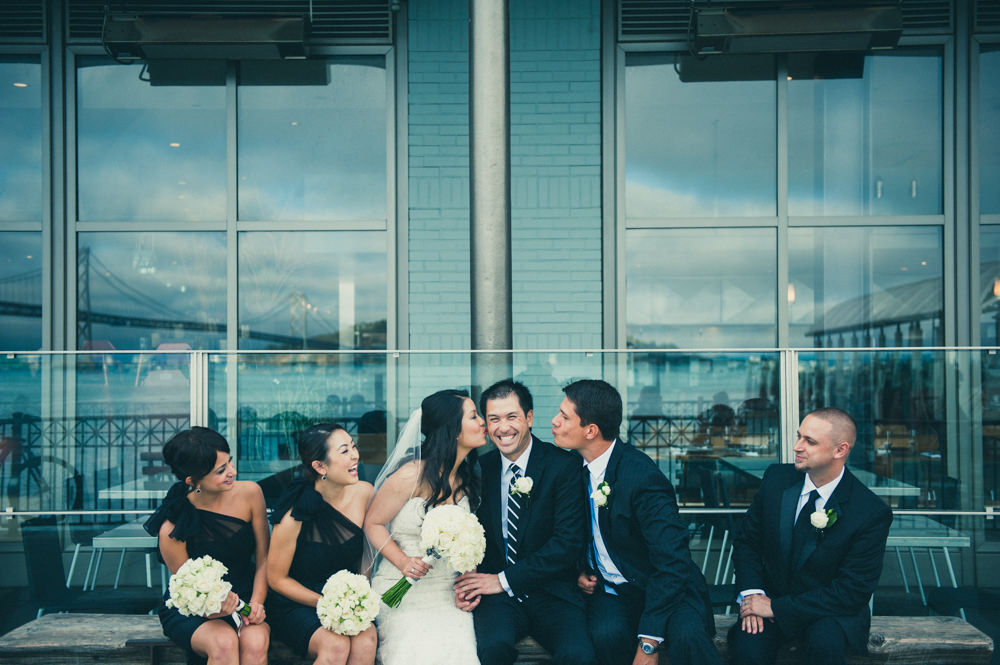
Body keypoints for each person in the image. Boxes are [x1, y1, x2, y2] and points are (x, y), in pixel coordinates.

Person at [552, 379, 720, 665]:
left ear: (591, 431)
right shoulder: (569, 468)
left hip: (667, 590)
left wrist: (649, 642)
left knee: (688, 637)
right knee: (605, 635)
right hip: (612, 591)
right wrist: (580, 569)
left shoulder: (641, 477)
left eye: (564, 416)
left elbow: (673, 562)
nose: (555, 421)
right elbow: (570, 532)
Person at [728, 407, 893, 665]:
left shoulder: (870, 512)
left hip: (830, 612)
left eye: (810, 441)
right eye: (799, 436)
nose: (797, 446)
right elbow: (747, 542)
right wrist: (752, 596)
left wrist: (777, 608)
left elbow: (852, 592)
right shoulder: (776, 479)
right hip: (768, 601)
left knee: (825, 645)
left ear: (840, 450)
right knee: (748, 649)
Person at [453, 380, 596, 665]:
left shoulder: (564, 466)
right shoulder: (480, 469)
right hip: (496, 599)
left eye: (511, 417)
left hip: (552, 592)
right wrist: (466, 584)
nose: (503, 427)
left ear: (529, 418)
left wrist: (502, 581)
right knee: (490, 650)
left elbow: (567, 544)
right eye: (494, 419)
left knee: (578, 655)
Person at [364, 389, 486, 665]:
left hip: (447, 595)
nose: (483, 423)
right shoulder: (410, 474)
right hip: (402, 592)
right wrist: (405, 562)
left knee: (460, 653)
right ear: (453, 430)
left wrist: (468, 586)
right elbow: (373, 523)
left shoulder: (468, 477)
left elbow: (468, 542)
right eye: (474, 416)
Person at [144, 427, 270, 665]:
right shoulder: (172, 528)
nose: (232, 472)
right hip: (194, 608)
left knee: (255, 644)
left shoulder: (251, 493)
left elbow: (264, 557)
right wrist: (213, 609)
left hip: (246, 594)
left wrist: (257, 602)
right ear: (193, 481)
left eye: (230, 462)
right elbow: (187, 589)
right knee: (224, 643)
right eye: (221, 471)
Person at [266, 423, 376, 665]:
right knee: (335, 646)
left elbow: (368, 552)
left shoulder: (365, 493)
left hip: (348, 600)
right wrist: (326, 603)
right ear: (320, 466)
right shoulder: (293, 513)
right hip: (298, 602)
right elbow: (276, 579)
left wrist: (359, 594)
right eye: (344, 451)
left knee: (366, 640)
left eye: (353, 447)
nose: (355, 455)